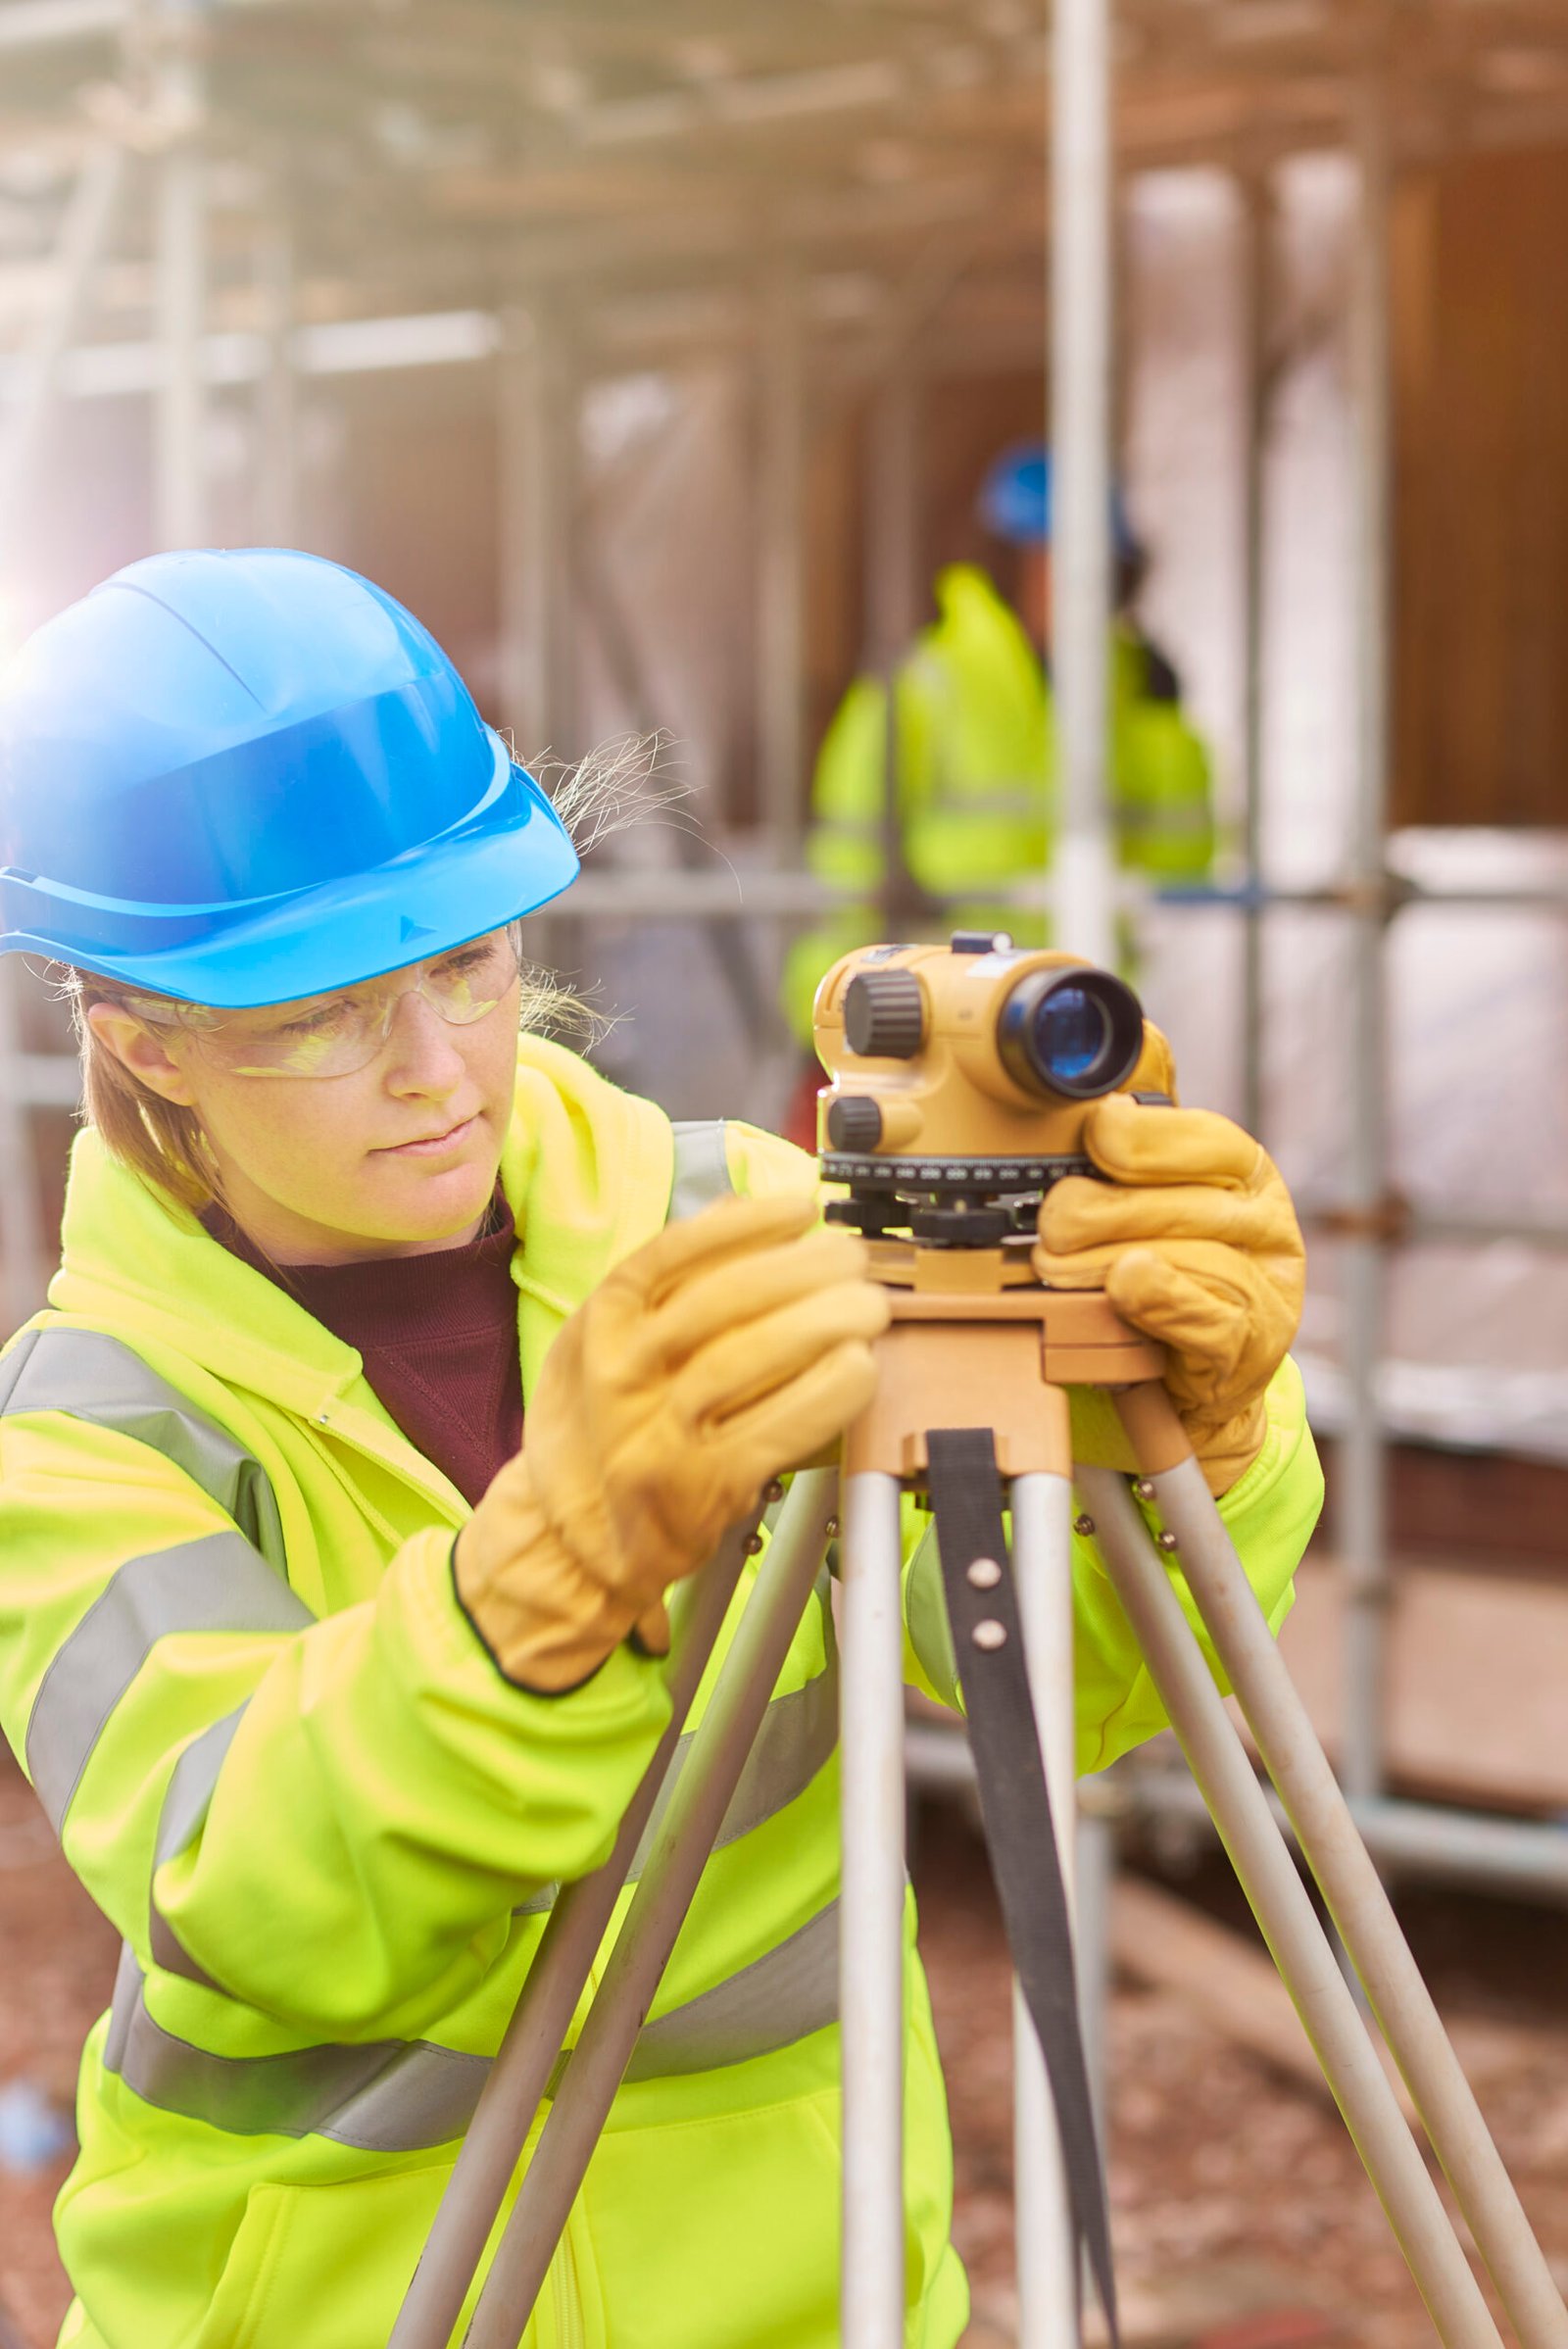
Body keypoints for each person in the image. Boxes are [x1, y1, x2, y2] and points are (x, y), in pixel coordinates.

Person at [0, 547, 1319, 2349]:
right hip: (326, 2306)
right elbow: (248, 1892)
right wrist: (532, 1591)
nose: (436, 1068)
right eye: (321, 1012)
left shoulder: (742, 1231)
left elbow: (1062, 1683)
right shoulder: (82, 1432)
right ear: (142, 1036)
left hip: (795, 2292)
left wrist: (1182, 1426)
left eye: (466, 963)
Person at [779, 443, 1216, 1140]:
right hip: (929, 1034)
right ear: (1010, 562)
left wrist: (1165, 729)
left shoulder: (1132, 691)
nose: (1077, 587)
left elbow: (1184, 865)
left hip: (1075, 1039)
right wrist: (834, 1023)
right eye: (1056, 561)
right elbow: (847, 877)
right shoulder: (922, 684)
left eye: (1096, 566)